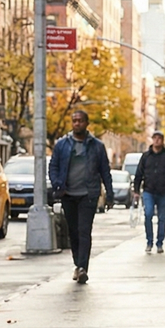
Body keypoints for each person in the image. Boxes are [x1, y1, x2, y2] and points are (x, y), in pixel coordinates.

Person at [48, 110, 114, 285]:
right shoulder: (62, 145)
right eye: (74, 121)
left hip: (88, 194)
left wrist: (109, 194)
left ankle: (83, 267)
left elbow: (105, 171)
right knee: (73, 232)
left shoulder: (97, 146)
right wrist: (57, 184)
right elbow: (53, 166)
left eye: (80, 121)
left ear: (87, 123)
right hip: (68, 194)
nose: (77, 123)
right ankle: (77, 264)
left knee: (84, 231)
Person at [133, 132, 165, 254]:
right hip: (149, 190)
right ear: (152, 140)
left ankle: (160, 242)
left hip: (163, 191)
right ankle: (149, 241)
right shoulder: (146, 157)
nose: (157, 140)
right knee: (148, 214)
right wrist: (136, 190)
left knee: (162, 217)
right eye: (155, 138)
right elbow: (139, 174)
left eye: (159, 138)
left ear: (162, 140)